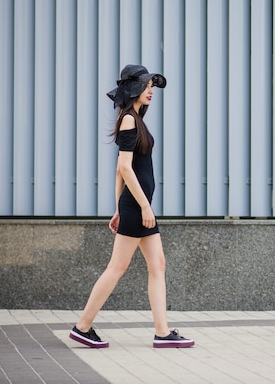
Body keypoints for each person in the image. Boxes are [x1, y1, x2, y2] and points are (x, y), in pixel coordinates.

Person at [69, 65, 194, 349]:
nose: (152, 91)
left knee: (157, 264)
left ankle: (162, 333)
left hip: (134, 206)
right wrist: (143, 208)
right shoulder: (128, 120)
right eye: (148, 86)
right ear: (134, 88)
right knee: (117, 267)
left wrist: (118, 209)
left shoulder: (135, 120)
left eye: (152, 86)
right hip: (138, 207)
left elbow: (118, 171)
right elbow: (125, 168)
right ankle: (82, 326)